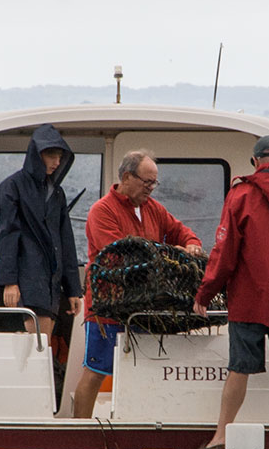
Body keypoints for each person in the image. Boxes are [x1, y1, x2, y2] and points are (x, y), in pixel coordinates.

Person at [192, 135, 269, 449]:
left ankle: (221, 436)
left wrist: (204, 294)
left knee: (240, 368)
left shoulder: (242, 194)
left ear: (254, 162)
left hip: (250, 298)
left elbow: (224, 252)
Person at [72, 149, 204, 417]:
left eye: (155, 183)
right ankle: (80, 433)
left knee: (143, 371)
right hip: (107, 311)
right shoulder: (101, 211)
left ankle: (137, 423)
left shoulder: (153, 208)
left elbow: (182, 231)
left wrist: (191, 244)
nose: (152, 189)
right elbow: (119, 254)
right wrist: (173, 252)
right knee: (96, 372)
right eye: (147, 182)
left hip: (144, 311)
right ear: (127, 177)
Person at [0, 124, 84, 340]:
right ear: (37, 155)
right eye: (51, 155)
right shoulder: (11, 187)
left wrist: (73, 290)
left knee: (44, 345)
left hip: (51, 280)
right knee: (39, 346)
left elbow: (66, 242)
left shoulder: (56, 193)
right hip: (28, 277)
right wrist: (9, 282)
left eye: (60, 156)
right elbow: (7, 235)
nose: (57, 162)